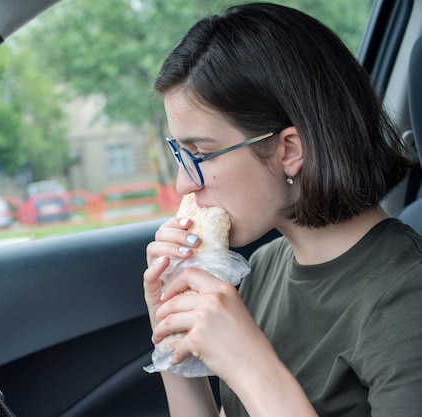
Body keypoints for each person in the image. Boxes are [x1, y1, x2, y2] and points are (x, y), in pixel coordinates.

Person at [143, 3, 422, 417]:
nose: (184, 183)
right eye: (180, 154)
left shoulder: (406, 297)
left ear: (289, 150)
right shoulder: (265, 268)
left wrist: (250, 365)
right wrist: (170, 335)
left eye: (201, 153)